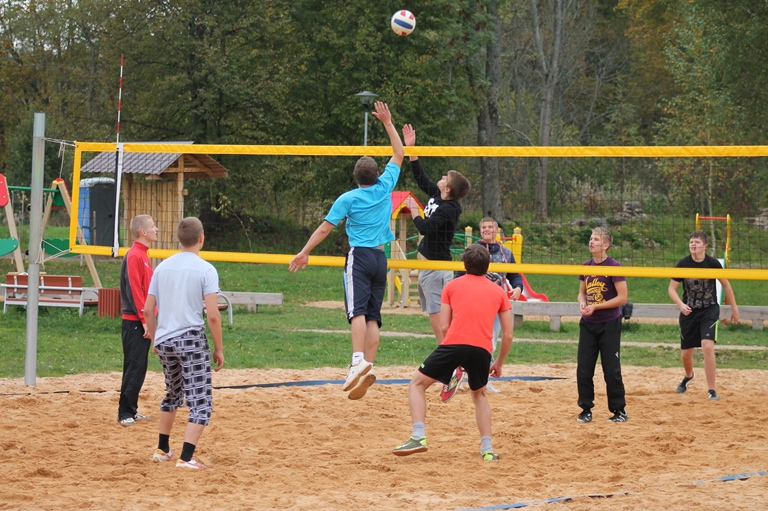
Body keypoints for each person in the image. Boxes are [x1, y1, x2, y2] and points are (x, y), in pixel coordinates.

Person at [289, 101, 404, 400]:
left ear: (356, 177)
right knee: (373, 317)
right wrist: (388, 123)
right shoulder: (386, 186)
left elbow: (324, 229)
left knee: (357, 312)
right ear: (377, 174)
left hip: (360, 257)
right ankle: (368, 366)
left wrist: (305, 251)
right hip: (380, 257)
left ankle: (356, 362)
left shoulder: (348, 198)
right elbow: (399, 153)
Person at [392, 244, 513, 461]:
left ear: (464, 265)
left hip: (454, 344)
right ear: (487, 266)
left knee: (417, 384)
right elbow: (509, 335)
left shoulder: (451, 286)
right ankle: (487, 450)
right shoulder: (499, 292)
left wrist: (454, 357)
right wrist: (499, 363)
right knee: (479, 395)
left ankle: (418, 435)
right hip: (482, 350)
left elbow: (444, 325)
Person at [144, 217, 225, 469]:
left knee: (173, 393)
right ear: (201, 238)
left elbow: (148, 310)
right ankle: (186, 457)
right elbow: (213, 315)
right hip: (190, 338)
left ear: (179, 239)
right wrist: (219, 348)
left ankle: (162, 449)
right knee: (201, 401)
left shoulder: (162, 267)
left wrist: (155, 338)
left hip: (165, 340)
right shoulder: (205, 269)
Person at [402, 124, 471, 346]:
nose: (441, 177)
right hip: (428, 266)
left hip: (436, 268)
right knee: (435, 316)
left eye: (445, 178)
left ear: (448, 189)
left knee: (438, 317)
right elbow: (420, 177)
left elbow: (425, 227)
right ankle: (449, 350)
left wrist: (414, 211)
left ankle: (448, 351)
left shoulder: (450, 208)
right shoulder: (439, 196)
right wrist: (411, 149)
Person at [668, 230, 739, 401]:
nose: (693, 244)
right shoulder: (683, 263)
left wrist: (734, 309)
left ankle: (711, 389)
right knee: (686, 354)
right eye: (691, 242)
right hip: (689, 311)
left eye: (697, 242)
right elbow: (671, 289)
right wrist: (681, 305)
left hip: (709, 309)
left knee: (707, 346)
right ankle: (689, 376)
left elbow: (726, 286)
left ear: (705, 246)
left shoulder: (713, 263)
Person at [576, 227, 628, 423]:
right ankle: (585, 409)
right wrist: (583, 303)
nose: (591, 242)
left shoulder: (614, 266)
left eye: (596, 239)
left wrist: (596, 306)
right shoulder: (586, 266)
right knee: (584, 369)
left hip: (609, 323)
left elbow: (622, 298)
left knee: (611, 369)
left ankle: (619, 410)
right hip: (588, 323)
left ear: (606, 245)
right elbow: (582, 292)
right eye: (591, 238)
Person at [117, 214, 159, 427]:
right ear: (143, 232)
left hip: (140, 319)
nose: (156, 229)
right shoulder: (134, 255)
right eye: (153, 226)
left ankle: (131, 410)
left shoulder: (143, 254)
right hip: (135, 321)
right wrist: (145, 321)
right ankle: (125, 412)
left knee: (138, 367)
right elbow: (135, 291)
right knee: (135, 366)